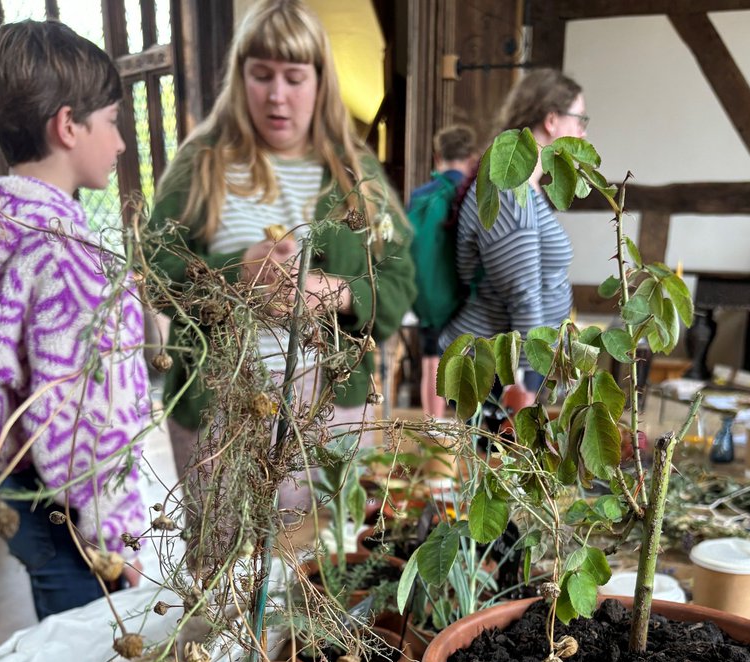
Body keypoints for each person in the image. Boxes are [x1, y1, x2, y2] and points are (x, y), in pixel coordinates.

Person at [147, 0, 416, 491]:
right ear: (239, 76)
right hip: (219, 401)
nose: (277, 97)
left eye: (294, 78)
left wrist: (332, 292)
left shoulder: (354, 171)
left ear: (319, 82)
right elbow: (156, 272)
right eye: (261, 75)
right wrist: (234, 274)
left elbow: (400, 278)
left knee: (323, 554)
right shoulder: (201, 164)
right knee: (225, 556)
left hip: (327, 402)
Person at [0, 19, 149, 621]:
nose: (119, 143)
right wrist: (115, 534)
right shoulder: (69, 257)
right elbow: (86, 417)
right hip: (69, 507)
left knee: (54, 630)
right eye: (112, 121)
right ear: (68, 125)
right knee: (90, 661)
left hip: (11, 478)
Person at [439, 69, 588, 409]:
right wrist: (521, 383)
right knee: (490, 462)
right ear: (551, 120)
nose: (583, 130)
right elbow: (522, 291)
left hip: (513, 365)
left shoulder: (526, 186)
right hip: (496, 369)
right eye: (580, 118)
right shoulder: (509, 188)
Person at [407, 123, 479, 418]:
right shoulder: (470, 195)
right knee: (469, 362)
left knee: (431, 360)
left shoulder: (420, 196)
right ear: (472, 157)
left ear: (438, 156)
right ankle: (468, 434)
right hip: (464, 294)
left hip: (426, 294)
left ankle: (433, 430)